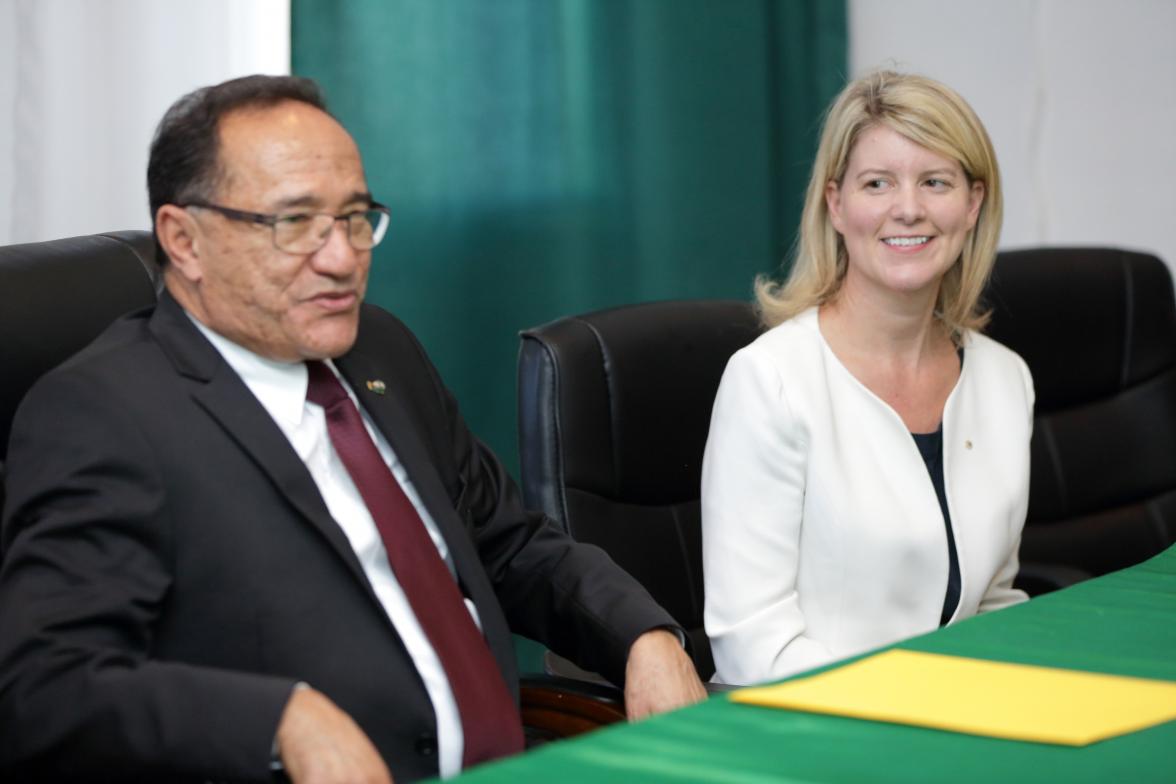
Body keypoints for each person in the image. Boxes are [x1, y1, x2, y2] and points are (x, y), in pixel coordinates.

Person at [0, 75, 705, 783]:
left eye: (354, 217)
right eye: (295, 223)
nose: (340, 258)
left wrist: (641, 634)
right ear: (184, 240)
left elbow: (508, 542)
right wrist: (280, 721)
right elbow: (50, 686)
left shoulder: (379, 348)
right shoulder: (105, 413)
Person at [701, 71, 1033, 686]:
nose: (908, 208)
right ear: (836, 205)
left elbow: (991, 602)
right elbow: (753, 651)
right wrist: (923, 708)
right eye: (877, 183)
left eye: (935, 182)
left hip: (960, 720)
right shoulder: (768, 381)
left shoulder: (1005, 379)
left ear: (973, 204)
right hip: (810, 732)